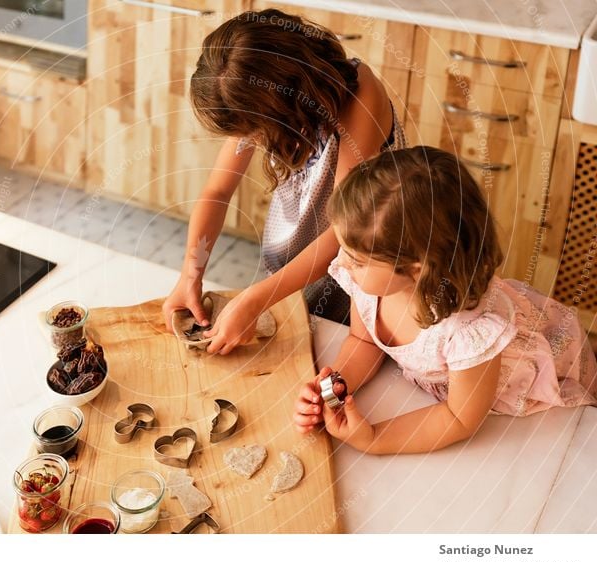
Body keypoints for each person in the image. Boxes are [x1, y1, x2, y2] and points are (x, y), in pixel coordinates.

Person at [294, 146, 597, 454]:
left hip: (534, 381)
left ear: (416, 269)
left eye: (358, 259)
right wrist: (335, 389)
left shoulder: (468, 332)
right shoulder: (369, 285)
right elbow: (364, 341)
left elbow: (459, 418)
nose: (342, 263)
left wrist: (374, 438)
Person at [161, 9, 407, 354]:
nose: (255, 141)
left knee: (352, 351)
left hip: (365, 267)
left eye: (257, 132)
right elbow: (217, 191)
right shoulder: (257, 96)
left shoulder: (359, 98)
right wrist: (190, 274)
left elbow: (346, 229)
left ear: (284, 103)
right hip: (296, 266)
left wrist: (256, 298)